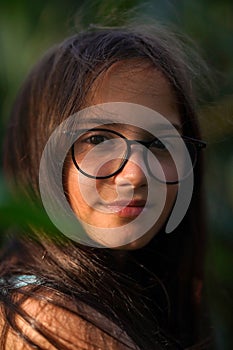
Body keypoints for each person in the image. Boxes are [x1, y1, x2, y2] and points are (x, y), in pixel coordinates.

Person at [0, 24, 211, 349]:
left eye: (160, 142)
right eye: (98, 139)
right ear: (40, 152)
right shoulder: (51, 320)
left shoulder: (150, 297)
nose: (136, 174)